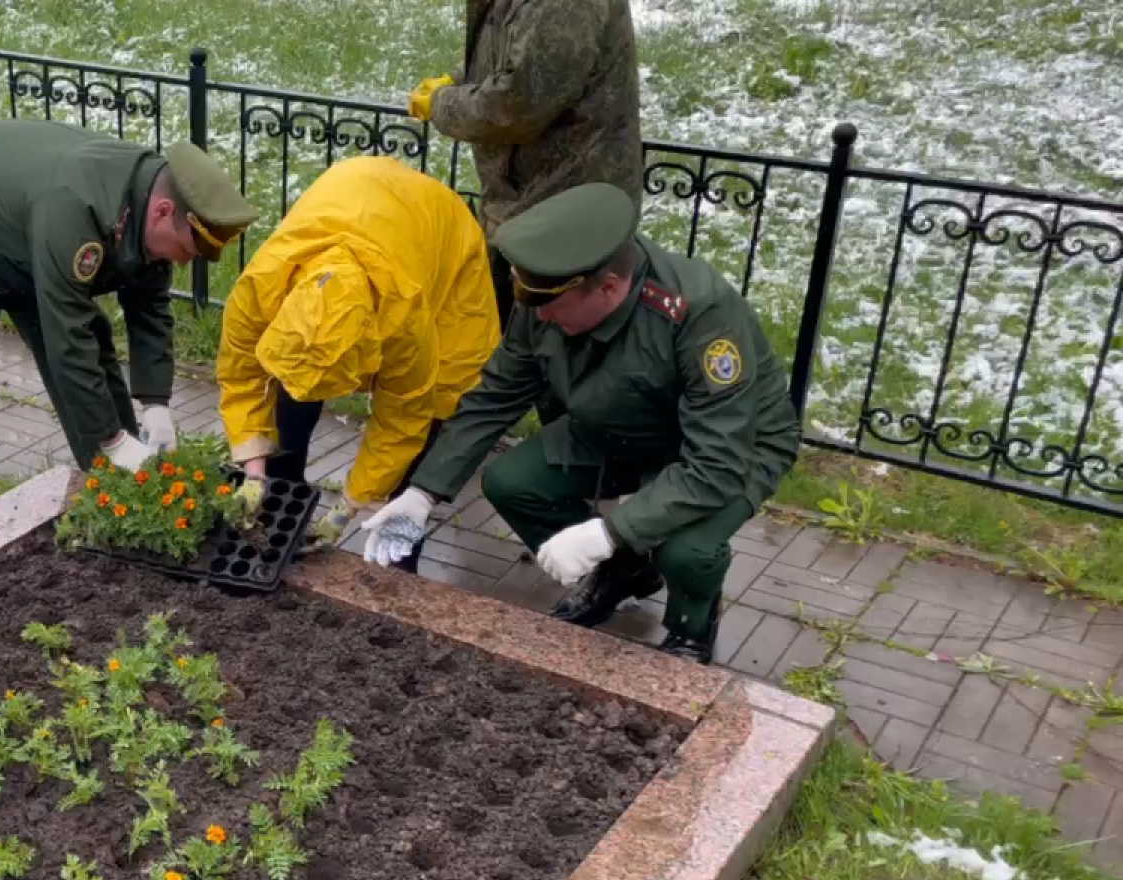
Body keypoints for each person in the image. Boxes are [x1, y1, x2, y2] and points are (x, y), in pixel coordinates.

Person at [360, 183, 801, 664]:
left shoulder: (700, 315)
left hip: (730, 445)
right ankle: (623, 572)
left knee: (685, 550)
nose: (539, 316)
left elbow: (716, 462)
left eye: (551, 307)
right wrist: (423, 493)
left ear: (609, 287)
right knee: (511, 481)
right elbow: (495, 396)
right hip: (620, 420)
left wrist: (608, 532)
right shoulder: (548, 296)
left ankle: (693, 622)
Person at [0, 119, 258, 503]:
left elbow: (149, 304)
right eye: (186, 250)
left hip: (17, 239)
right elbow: (67, 342)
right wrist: (112, 440)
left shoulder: (147, 197)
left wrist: (156, 404)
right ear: (164, 212)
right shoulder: (76, 206)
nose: (185, 262)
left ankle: (124, 490)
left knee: (92, 349)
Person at [215, 155, 501, 569]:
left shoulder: (404, 319)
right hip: (357, 195)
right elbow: (241, 377)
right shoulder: (261, 288)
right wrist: (254, 471)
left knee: (442, 396)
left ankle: (400, 543)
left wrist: (348, 507)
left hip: (440, 232)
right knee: (295, 381)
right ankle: (281, 501)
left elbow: (402, 419)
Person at [408, 0, 643, 332]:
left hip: (566, 214)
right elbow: (517, 57)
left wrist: (442, 104)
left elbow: (516, 106)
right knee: (510, 349)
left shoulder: (563, 7)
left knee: (548, 345)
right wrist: (459, 79)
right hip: (524, 203)